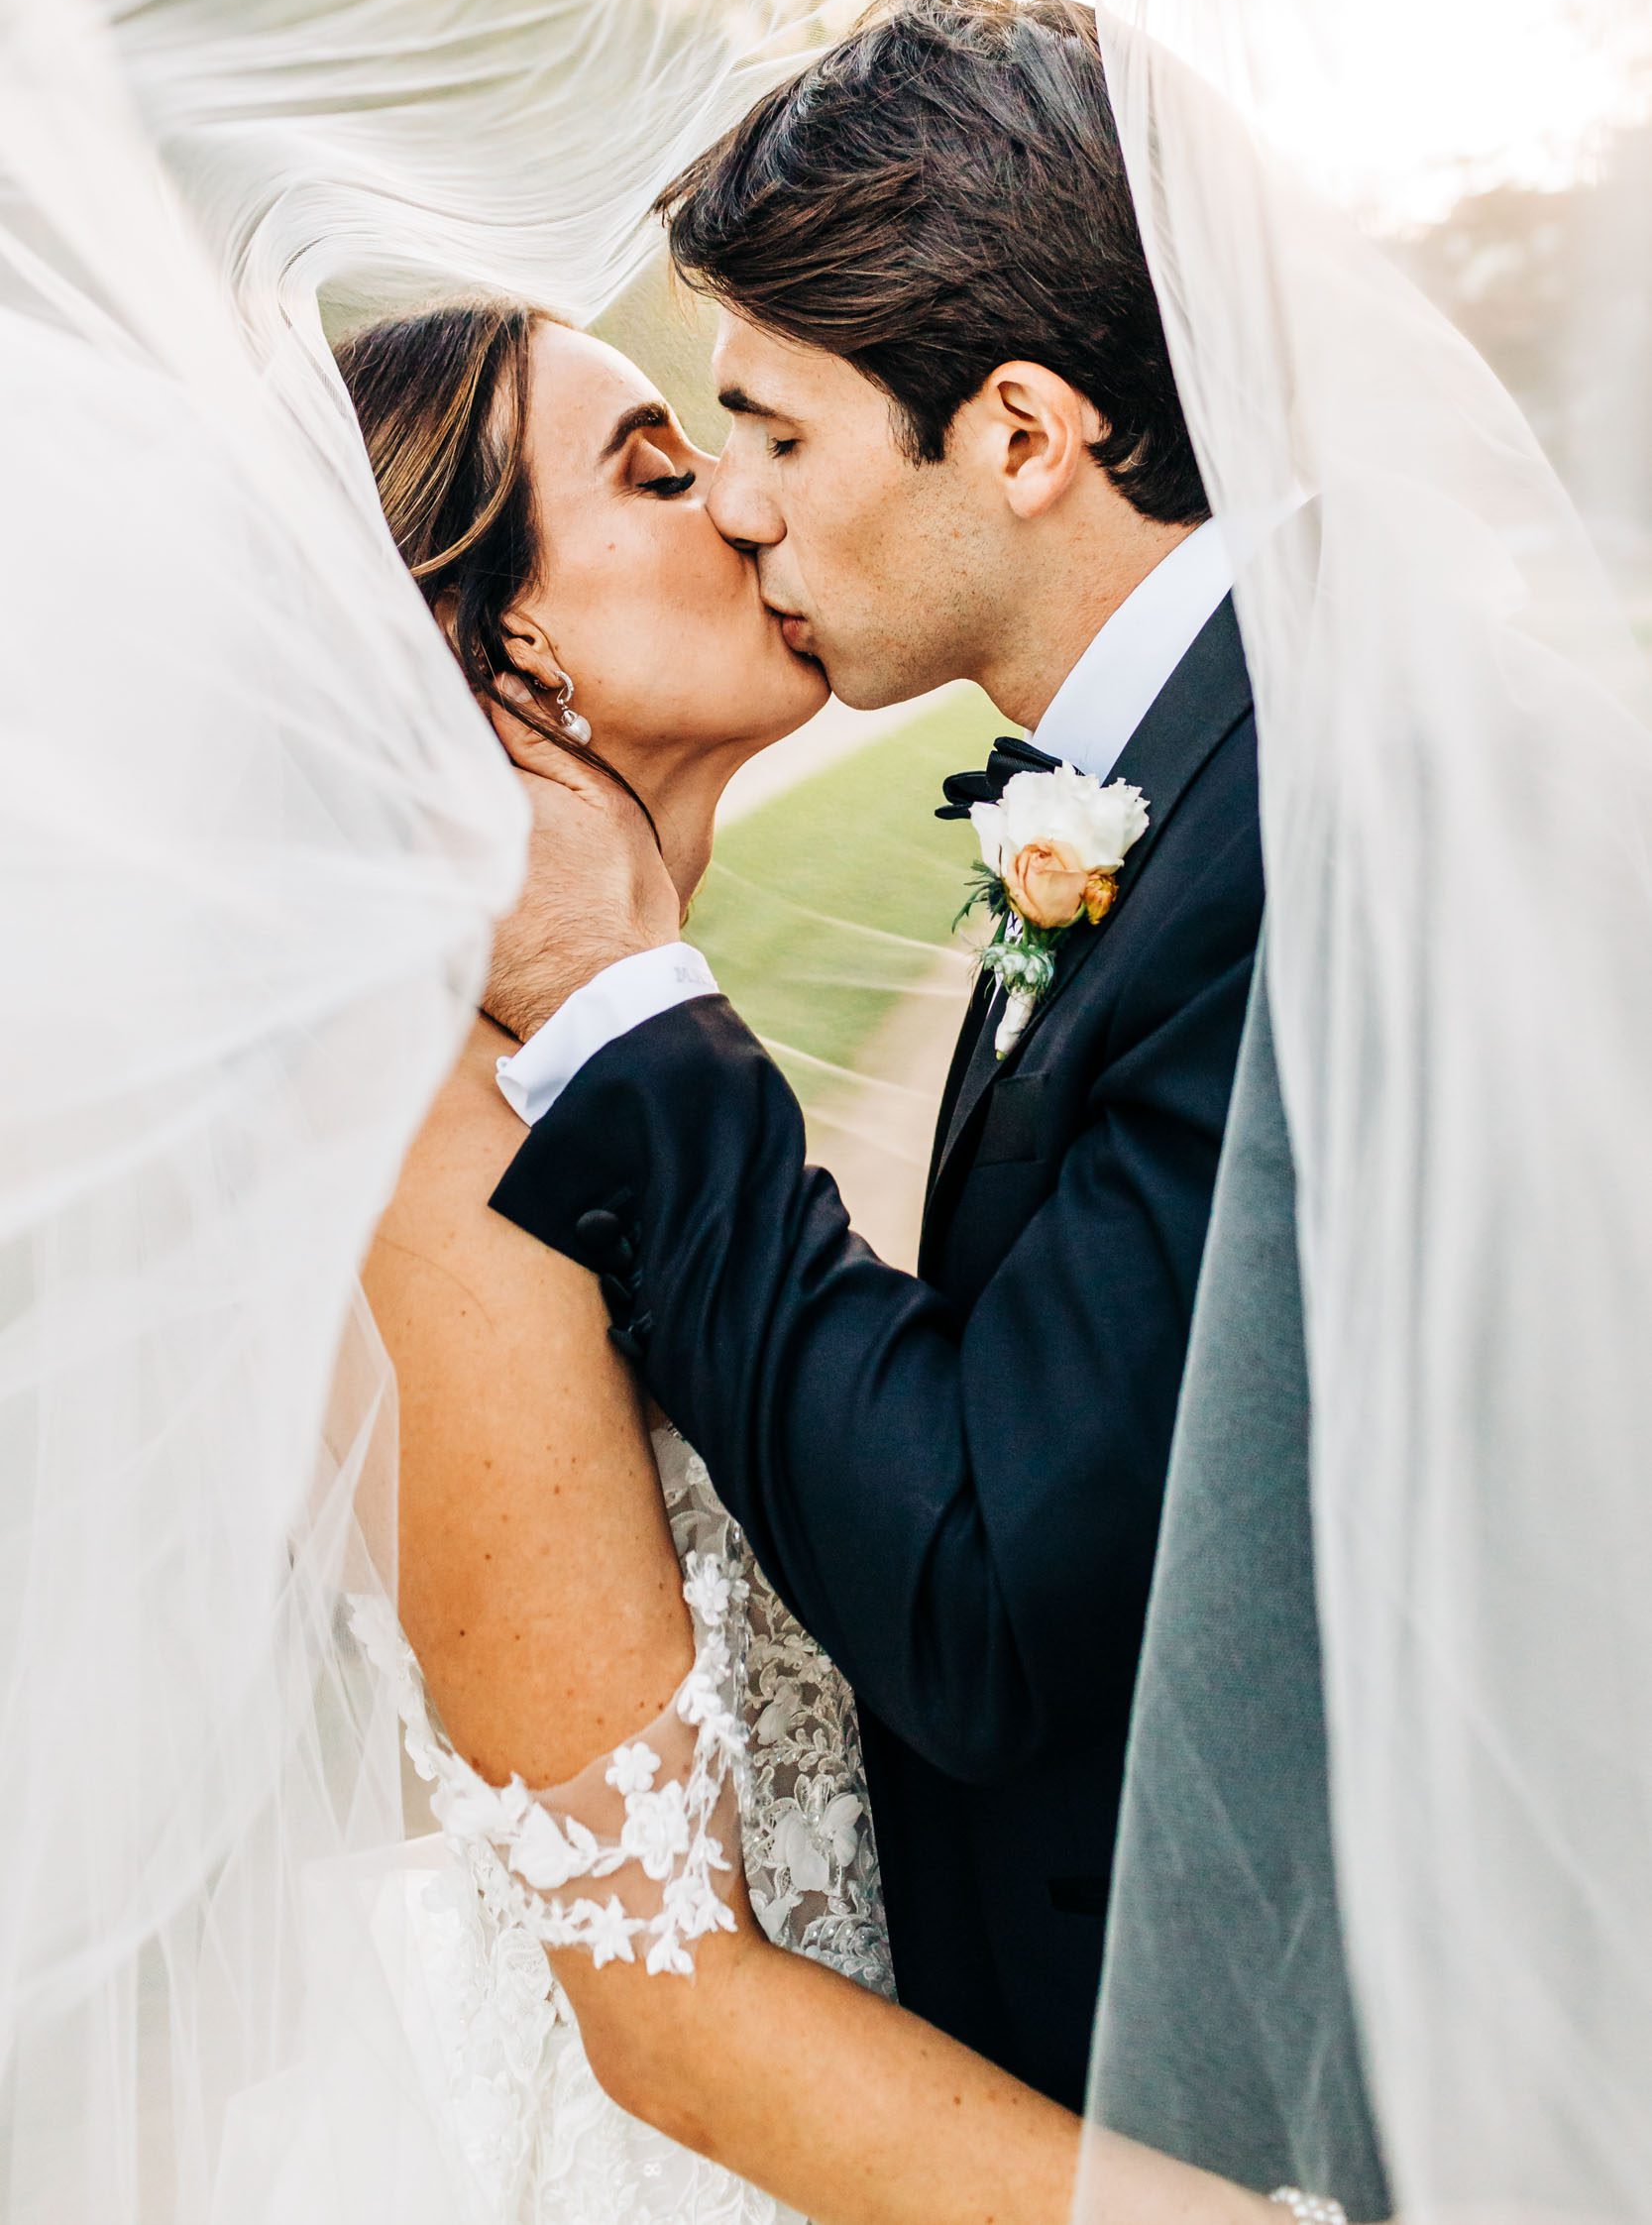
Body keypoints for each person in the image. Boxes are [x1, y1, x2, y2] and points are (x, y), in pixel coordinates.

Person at [337, 294, 1284, 2225]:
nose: (755, 509)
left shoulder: (614, 1056)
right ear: (498, 636)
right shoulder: (458, 1172)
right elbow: (671, 2016)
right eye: (666, 470)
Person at [476, 0, 1264, 2117]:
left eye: (768, 431)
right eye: (677, 453)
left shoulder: (1273, 835)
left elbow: (992, 1579)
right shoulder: (1192, 785)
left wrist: (637, 1027)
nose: (737, 506)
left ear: (1019, 434)